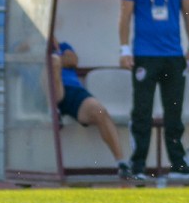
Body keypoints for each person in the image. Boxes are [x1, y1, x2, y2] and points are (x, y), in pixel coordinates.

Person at [118, 0, 189, 180]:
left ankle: (178, 165)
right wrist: (124, 49)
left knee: (173, 113)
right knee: (142, 112)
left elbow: (188, 13)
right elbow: (125, 16)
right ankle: (138, 166)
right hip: (144, 54)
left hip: (174, 55)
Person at [50, 35, 131, 179]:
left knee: (100, 111)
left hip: (71, 90)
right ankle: (53, 108)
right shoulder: (23, 48)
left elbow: (72, 60)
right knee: (53, 63)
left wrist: (56, 53)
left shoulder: (63, 47)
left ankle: (122, 163)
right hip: (42, 93)